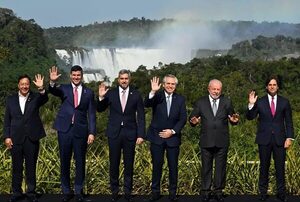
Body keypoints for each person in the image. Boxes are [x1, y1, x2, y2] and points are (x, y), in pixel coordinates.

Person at [48, 65, 96, 202]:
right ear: (70, 75)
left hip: (81, 130)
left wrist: (92, 132)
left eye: (78, 75)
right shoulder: (64, 88)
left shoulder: (89, 92)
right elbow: (53, 90)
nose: (76, 77)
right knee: (64, 160)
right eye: (74, 75)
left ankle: (79, 191)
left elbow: (91, 114)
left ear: (82, 76)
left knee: (80, 161)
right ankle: (66, 191)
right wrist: (52, 82)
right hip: (64, 130)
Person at [97, 69, 145, 202]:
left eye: (126, 78)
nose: (124, 81)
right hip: (114, 133)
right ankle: (114, 191)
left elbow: (141, 116)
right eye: (121, 78)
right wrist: (101, 97)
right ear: (118, 80)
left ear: (130, 80)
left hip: (130, 133)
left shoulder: (136, 94)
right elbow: (100, 109)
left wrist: (141, 134)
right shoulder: (110, 93)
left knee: (129, 163)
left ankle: (128, 191)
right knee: (114, 163)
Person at [189, 79, 239, 202]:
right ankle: (205, 191)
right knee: (206, 166)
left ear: (221, 90)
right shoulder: (201, 102)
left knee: (220, 167)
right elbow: (192, 117)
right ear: (209, 89)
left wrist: (234, 121)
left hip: (222, 140)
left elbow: (232, 117)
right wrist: (193, 121)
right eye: (214, 89)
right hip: (206, 140)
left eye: (218, 89)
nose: (216, 91)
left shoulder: (227, 102)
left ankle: (218, 191)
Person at [246, 75, 293, 202]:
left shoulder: (284, 102)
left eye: (274, 85)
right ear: (267, 86)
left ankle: (281, 193)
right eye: (270, 85)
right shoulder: (259, 101)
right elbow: (250, 117)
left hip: (280, 139)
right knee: (264, 167)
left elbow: (289, 121)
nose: (272, 87)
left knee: (280, 167)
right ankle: (262, 193)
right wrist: (251, 104)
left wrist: (289, 138)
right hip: (264, 139)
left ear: (278, 87)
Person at [3, 74, 48, 202]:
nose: (24, 86)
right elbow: (7, 120)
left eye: (27, 84)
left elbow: (45, 99)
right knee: (16, 167)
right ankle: (16, 193)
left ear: (30, 85)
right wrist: (7, 137)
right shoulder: (11, 99)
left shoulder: (36, 97)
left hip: (32, 137)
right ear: (18, 85)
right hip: (15, 138)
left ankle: (31, 193)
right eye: (22, 84)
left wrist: (41, 89)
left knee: (31, 167)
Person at [144, 75, 187, 201]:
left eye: (173, 84)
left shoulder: (180, 99)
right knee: (157, 165)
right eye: (168, 83)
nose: (170, 86)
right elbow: (146, 103)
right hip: (157, 138)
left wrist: (172, 131)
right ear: (163, 84)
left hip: (173, 138)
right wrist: (152, 91)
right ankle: (155, 192)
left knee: (173, 166)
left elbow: (182, 118)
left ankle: (172, 193)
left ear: (175, 86)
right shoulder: (157, 96)